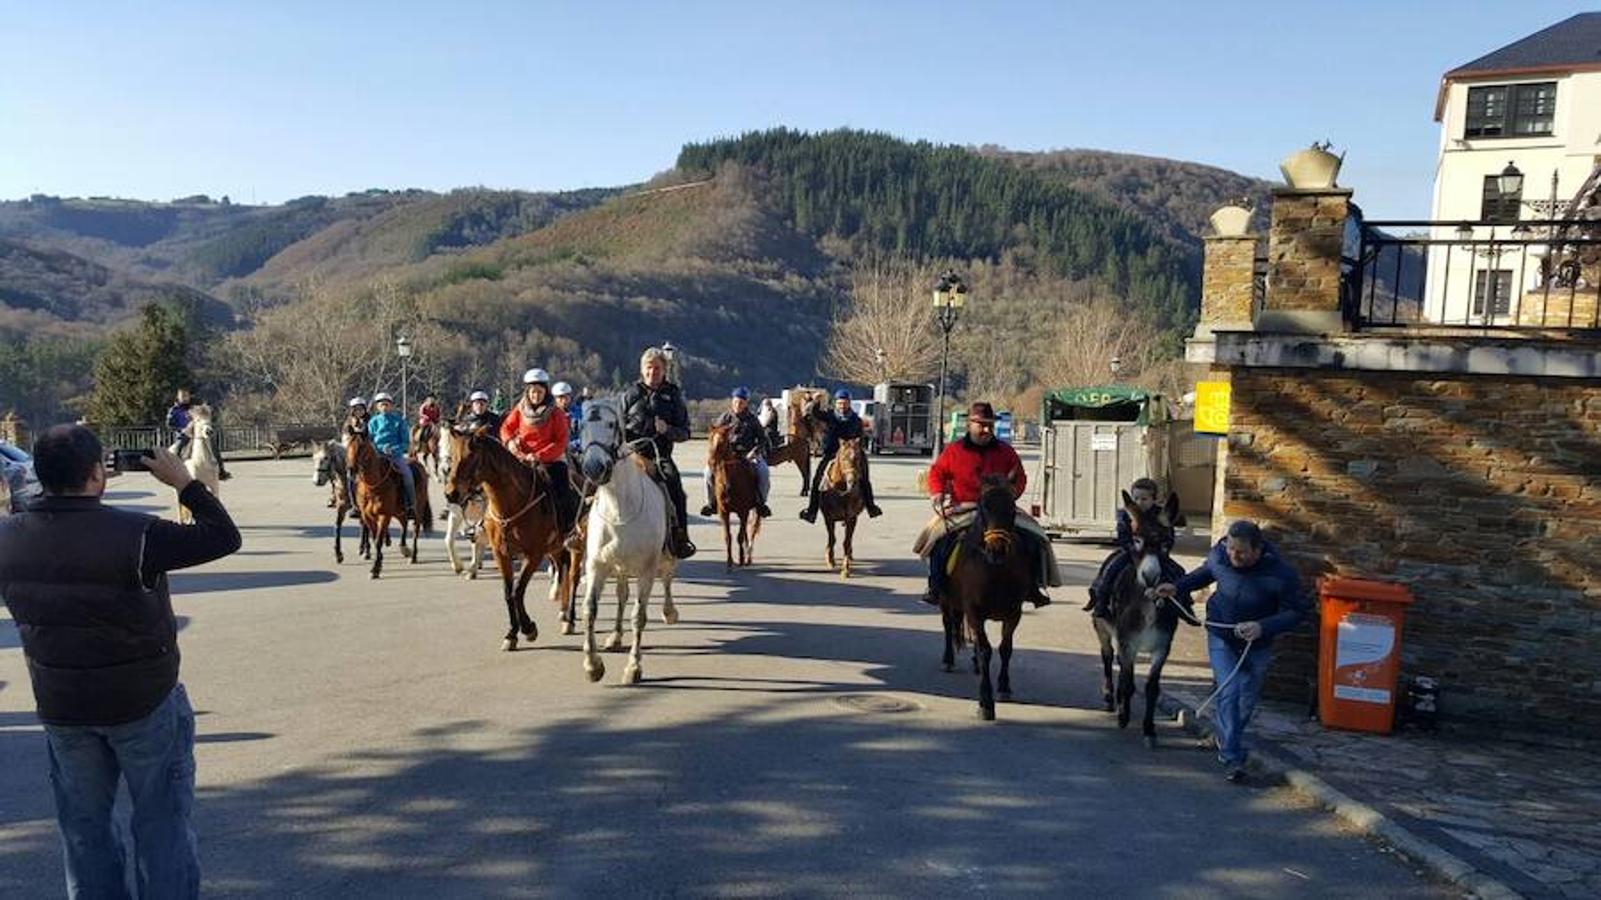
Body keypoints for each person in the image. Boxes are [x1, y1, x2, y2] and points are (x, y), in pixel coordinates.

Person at [0, 425, 241, 897]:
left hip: (62, 706)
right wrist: (185, 484)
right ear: (99, 474)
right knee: (161, 829)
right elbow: (223, 537)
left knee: (85, 833)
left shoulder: (8, 539)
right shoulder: (137, 533)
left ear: (38, 475)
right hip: (143, 702)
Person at [1154, 520, 1307, 783]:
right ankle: (1232, 756)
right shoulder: (1220, 555)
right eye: (1231, 548)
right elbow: (1203, 574)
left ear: (1258, 550)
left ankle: (1226, 737)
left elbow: (1296, 612)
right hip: (1221, 634)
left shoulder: (1281, 573)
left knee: (1246, 697)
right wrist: (1177, 587)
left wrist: (1263, 626)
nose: (1234, 555)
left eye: (1242, 551)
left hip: (1257, 642)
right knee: (1230, 689)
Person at [919, 401, 1053, 607]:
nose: (986, 429)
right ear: (969, 424)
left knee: (1036, 538)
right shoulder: (953, 451)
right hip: (963, 507)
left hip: (999, 510)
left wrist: (1009, 497)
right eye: (981, 424)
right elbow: (937, 473)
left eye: (989, 424)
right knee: (938, 541)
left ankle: (1033, 587)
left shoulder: (1005, 451)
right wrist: (936, 493)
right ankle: (936, 586)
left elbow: (1020, 477)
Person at [621, 347, 696, 558]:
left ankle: (680, 537)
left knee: (676, 489)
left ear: (664, 370)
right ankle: (582, 532)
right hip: (631, 455)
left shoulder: (673, 395)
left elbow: (685, 432)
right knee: (602, 484)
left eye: (657, 368)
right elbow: (617, 429)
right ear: (642, 369)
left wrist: (668, 430)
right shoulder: (630, 395)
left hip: (660, 457)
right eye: (649, 368)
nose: (652, 372)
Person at [499, 369, 580, 535]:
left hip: (550, 460)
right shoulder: (520, 409)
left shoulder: (556, 413)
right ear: (527, 392)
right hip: (521, 458)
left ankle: (566, 528)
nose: (536, 395)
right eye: (533, 392)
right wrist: (509, 442)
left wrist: (539, 456)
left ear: (546, 391)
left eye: (540, 392)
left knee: (561, 488)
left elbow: (561, 442)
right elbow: (506, 427)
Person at [1084, 477, 1176, 616]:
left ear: (1154, 499)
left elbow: (1169, 536)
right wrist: (1132, 550)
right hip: (1131, 552)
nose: (1139, 502)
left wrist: (1163, 551)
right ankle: (1101, 601)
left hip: (1155, 553)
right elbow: (1123, 536)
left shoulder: (1161, 515)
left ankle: (1184, 605)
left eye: (1144, 499)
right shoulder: (1125, 514)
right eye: (1136, 498)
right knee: (1111, 569)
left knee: (1177, 572)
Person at [799, 389, 882, 523]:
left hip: (851, 454)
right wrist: (816, 401)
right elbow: (814, 413)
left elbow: (860, 436)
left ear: (849, 404)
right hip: (831, 453)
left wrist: (854, 449)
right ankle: (811, 511)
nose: (842, 406)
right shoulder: (830, 416)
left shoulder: (856, 420)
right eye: (839, 403)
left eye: (845, 403)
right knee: (817, 480)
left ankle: (871, 506)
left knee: (864, 479)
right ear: (836, 404)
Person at [701, 386, 773, 519]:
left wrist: (754, 452)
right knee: (707, 473)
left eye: (741, 402)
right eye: (736, 402)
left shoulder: (752, 420)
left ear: (746, 403)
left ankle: (761, 503)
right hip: (727, 456)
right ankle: (711, 503)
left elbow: (762, 440)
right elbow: (714, 434)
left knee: (764, 472)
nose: (738, 405)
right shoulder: (725, 417)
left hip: (748, 455)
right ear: (732, 402)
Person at [366, 392, 417, 520]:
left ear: (391, 406)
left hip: (395, 455)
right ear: (377, 407)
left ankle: (411, 505)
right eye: (381, 405)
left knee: (407, 474)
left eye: (386, 404)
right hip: (377, 455)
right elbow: (369, 441)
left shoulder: (399, 421)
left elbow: (405, 442)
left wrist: (394, 449)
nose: (384, 407)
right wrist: (378, 449)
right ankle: (358, 504)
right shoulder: (373, 422)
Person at [552, 382, 583, 453]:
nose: (564, 401)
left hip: (578, 450)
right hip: (558, 451)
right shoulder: (550, 415)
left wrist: (574, 444)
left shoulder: (579, 412)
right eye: (560, 397)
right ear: (555, 399)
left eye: (566, 397)